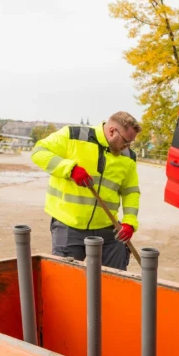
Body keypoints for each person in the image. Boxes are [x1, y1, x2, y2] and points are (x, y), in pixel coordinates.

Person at [32, 112, 141, 270]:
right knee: (65, 278)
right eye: (125, 141)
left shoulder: (128, 157)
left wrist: (130, 222)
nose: (127, 147)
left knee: (115, 280)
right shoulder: (73, 136)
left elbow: (130, 191)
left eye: (131, 143)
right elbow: (38, 152)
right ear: (112, 131)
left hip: (108, 229)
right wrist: (70, 169)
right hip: (69, 225)